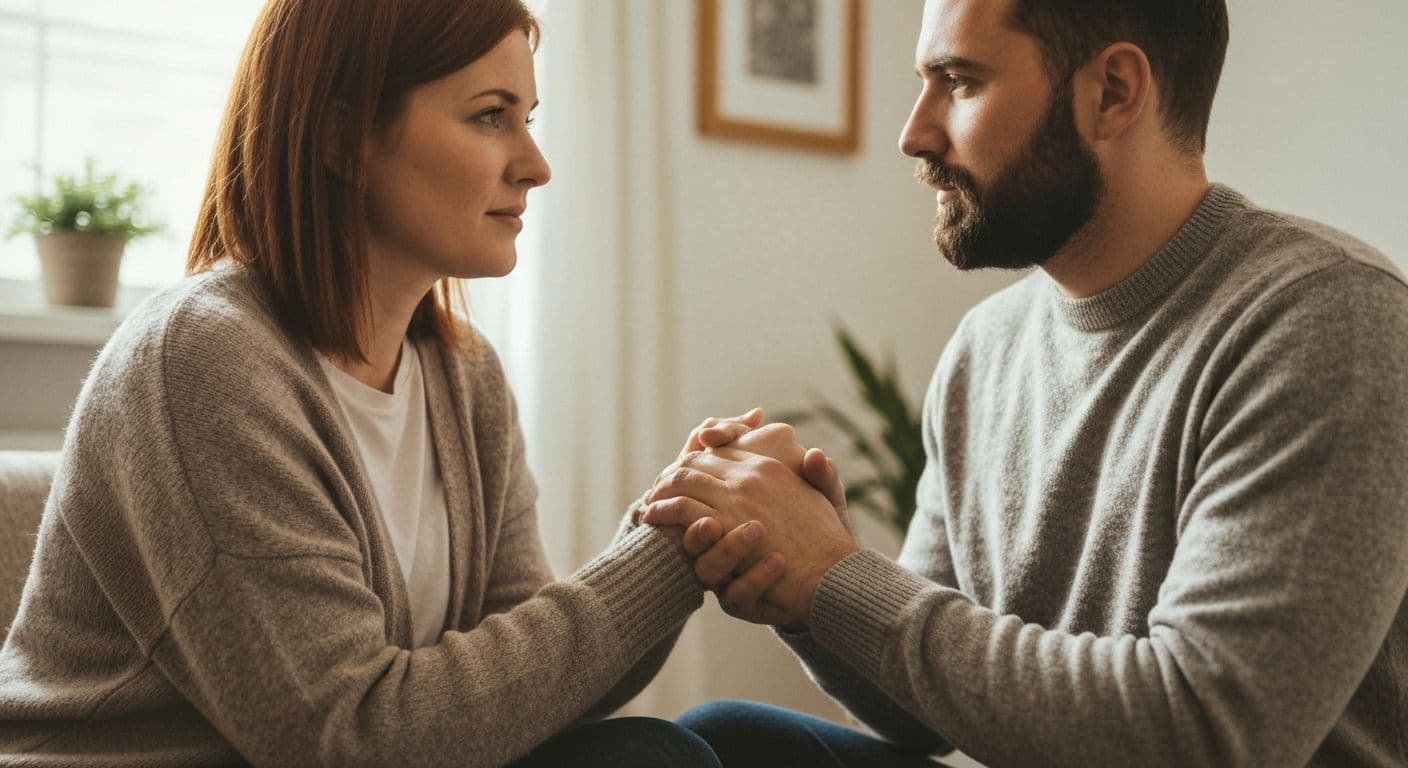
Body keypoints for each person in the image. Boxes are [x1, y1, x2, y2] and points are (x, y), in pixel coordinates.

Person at [0, 1, 789, 766]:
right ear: (343, 136)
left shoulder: (465, 377)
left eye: (530, 118)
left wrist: (686, 530)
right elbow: (351, 736)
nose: (535, 165)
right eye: (490, 116)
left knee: (661, 748)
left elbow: (525, 699)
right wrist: (659, 558)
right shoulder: (204, 361)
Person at [646, 0, 1408, 765]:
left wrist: (834, 575)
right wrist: (800, 577)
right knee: (722, 743)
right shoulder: (986, 347)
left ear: (1112, 92)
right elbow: (922, 713)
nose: (914, 134)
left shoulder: (1329, 321)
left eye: (960, 82)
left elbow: (1208, 732)